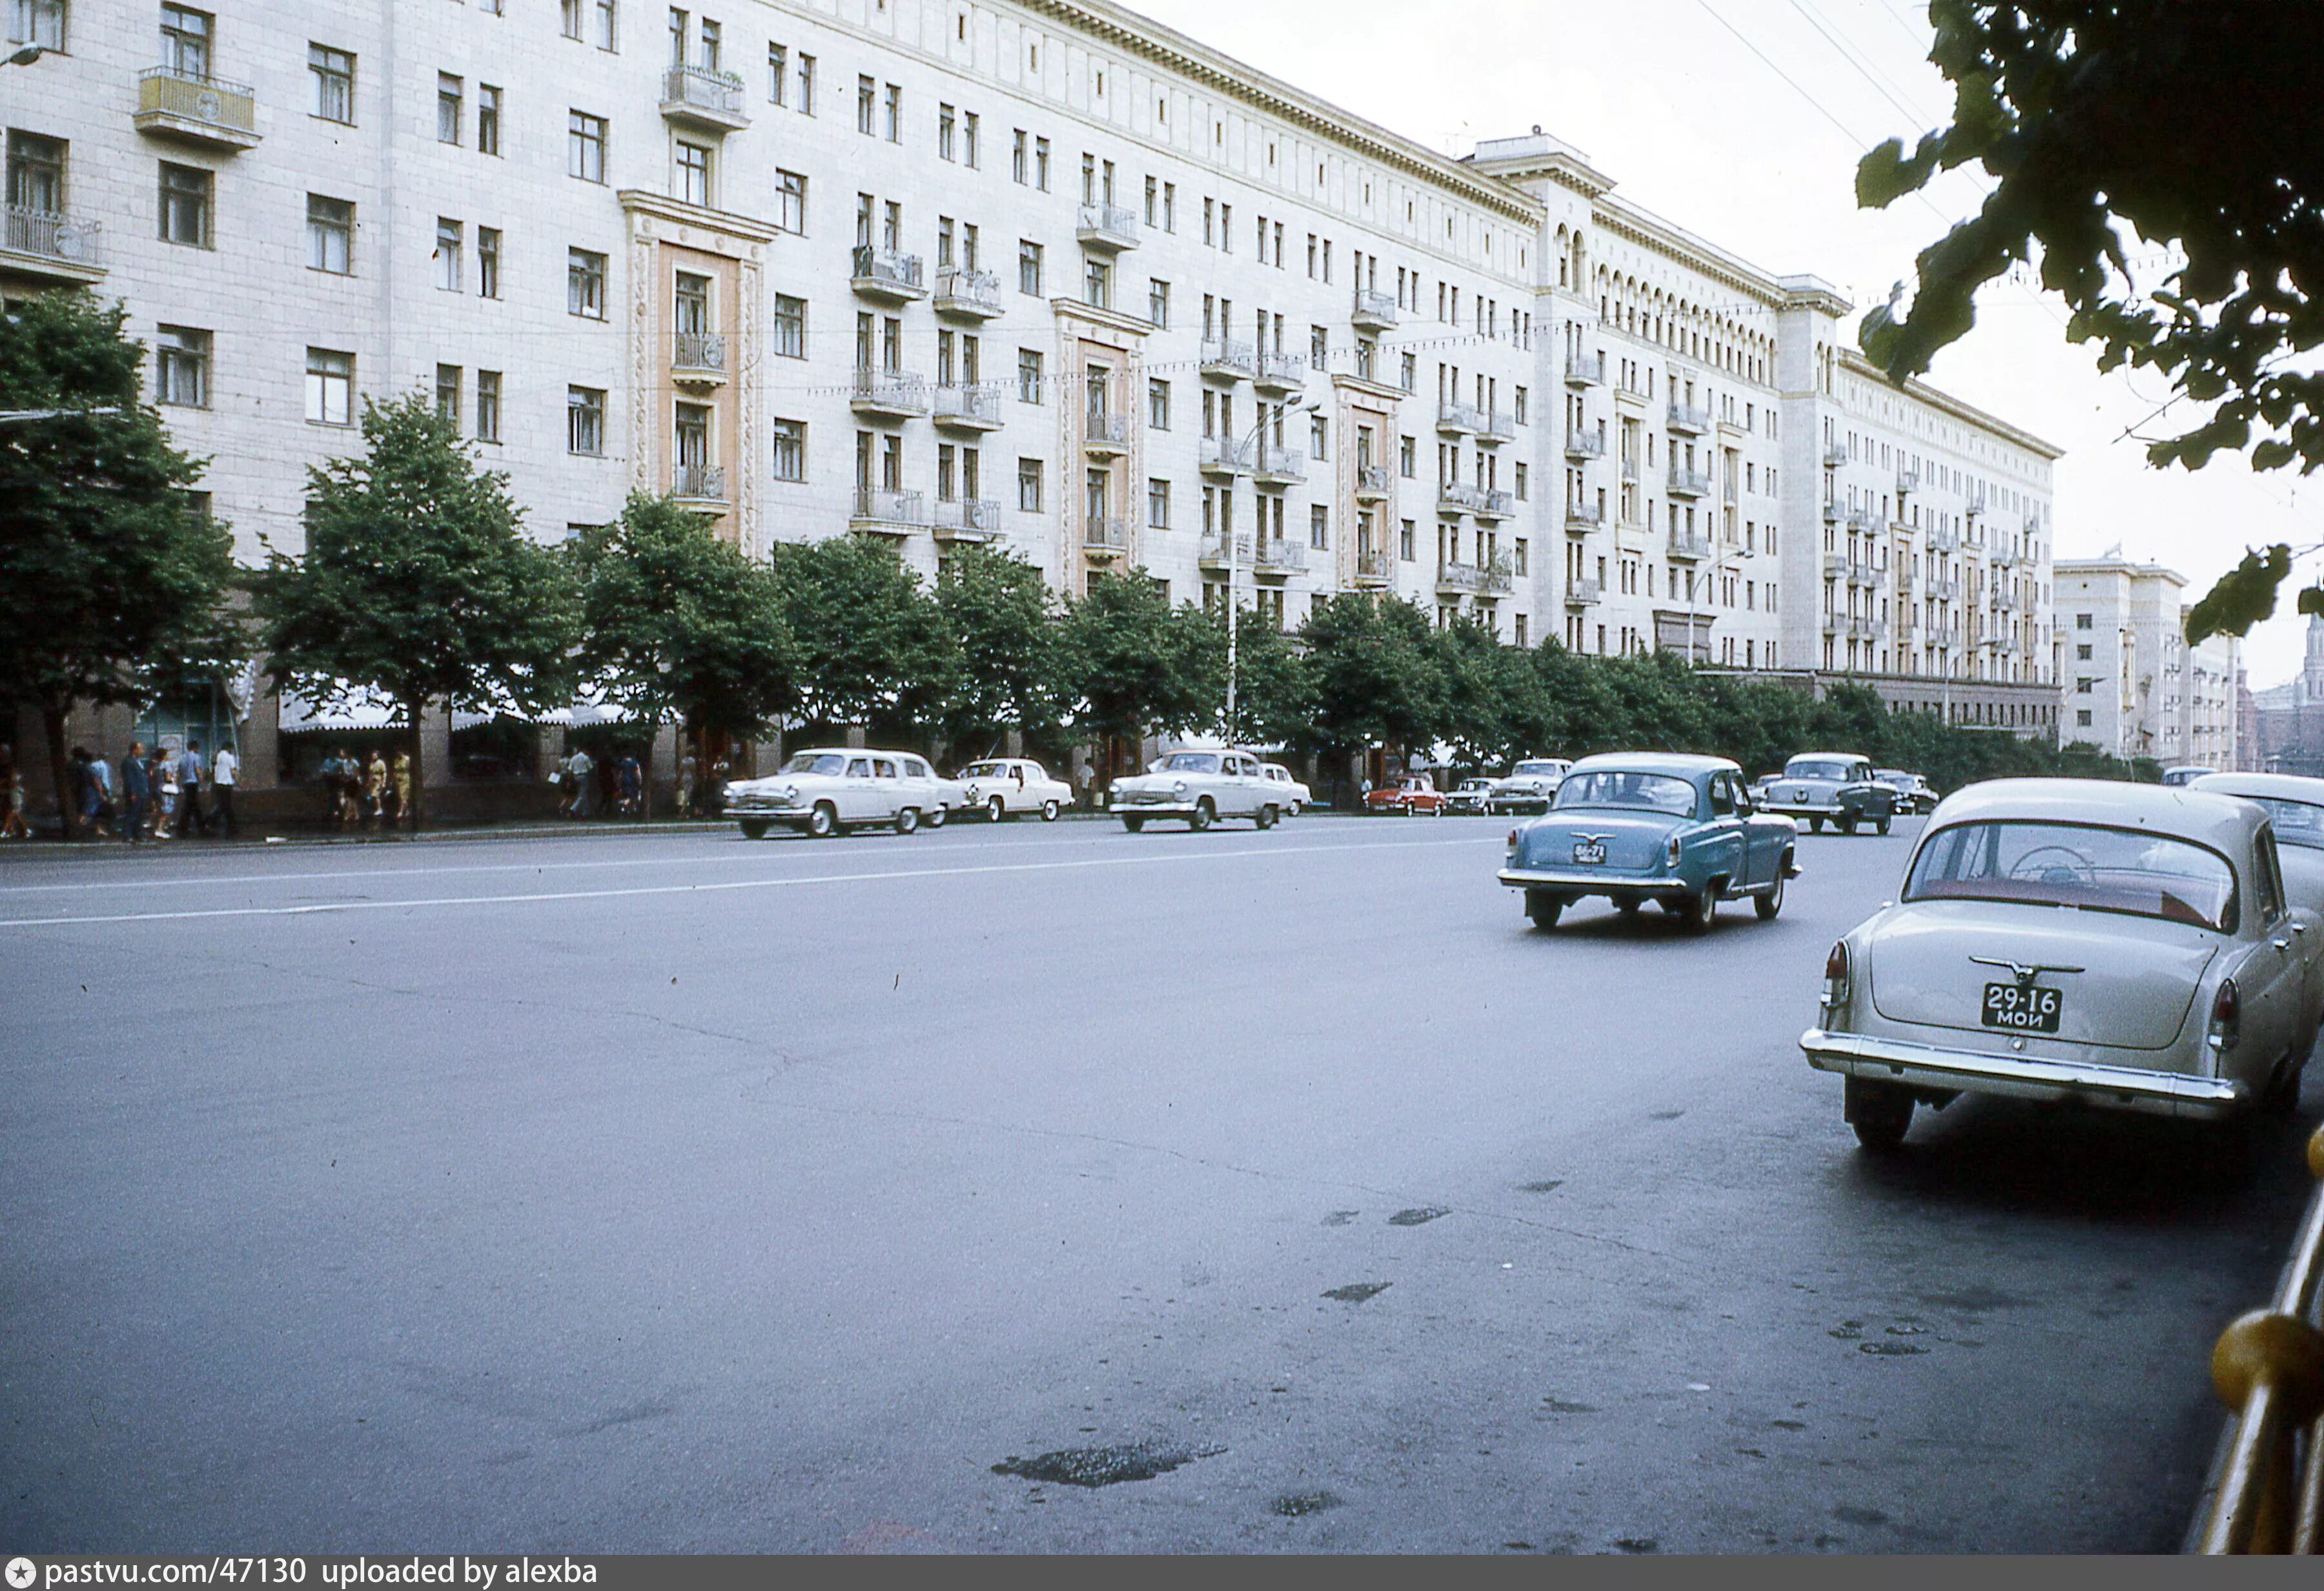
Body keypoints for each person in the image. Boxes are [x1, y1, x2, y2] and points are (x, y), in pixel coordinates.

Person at [119, 742, 152, 844]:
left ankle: (138, 834)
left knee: (139, 814)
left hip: (142, 791)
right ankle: (128, 835)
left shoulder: (138, 761)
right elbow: (130, 779)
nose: (143, 751)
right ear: (134, 750)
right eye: (141, 748)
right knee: (132, 813)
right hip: (135, 792)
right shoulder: (128, 762)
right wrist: (133, 792)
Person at [176, 738, 207, 836]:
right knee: (192, 805)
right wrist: (203, 784)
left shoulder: (182, 757)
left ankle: (186, 826)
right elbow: (198, 770)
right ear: (195, 748)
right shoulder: (196, 757)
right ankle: (196, 827)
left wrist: (180, 782)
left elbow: (180, 771)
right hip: (193, 782)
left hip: (186, 783)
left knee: (191, 805)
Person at [210, 740, 238, 836]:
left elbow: (213, 768)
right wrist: (237, 780)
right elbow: (233, 771)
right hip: (227, 783)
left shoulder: (217, 756)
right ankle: (212, 822)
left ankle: (214, 822)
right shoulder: (230, 757)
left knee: (223, 805)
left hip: (218, 783)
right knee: (226, 806)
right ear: (229, 748)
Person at [0, 743, 27, 840]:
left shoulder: (11, 766)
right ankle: (11, 830)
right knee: (7, 812)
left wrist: (4, 782)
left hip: (12, 791)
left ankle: (5, 830)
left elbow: (13, 780)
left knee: (12, 812)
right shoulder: (3, 765)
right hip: (5, 791)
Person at [156, 745, 180, 839]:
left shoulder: (159, 765)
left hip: (160, 787)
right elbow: (168, 777)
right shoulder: (167, 764)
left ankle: (163, 827)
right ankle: (160, 829)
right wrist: (174, 778)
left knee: (163, 809)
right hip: (168, 789)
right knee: (167, 809)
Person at [566, 746, 595, 818]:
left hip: (575, 777)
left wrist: (569, 780)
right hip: (584, 776)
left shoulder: (573, 758)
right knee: (582, 795)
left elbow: (570, 770)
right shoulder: (586, 758)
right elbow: (591, 768)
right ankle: (572, 809)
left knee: (583, 795)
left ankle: (585, 812)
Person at [364, 748, 388, 829]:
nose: (373, 756)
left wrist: (384, 782)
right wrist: (368, 782)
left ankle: (379, 809)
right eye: (373, 755)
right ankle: (377, 808)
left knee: (376, 795)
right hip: (372, 780)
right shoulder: (371, 763)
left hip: (378, 780)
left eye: (375, 755)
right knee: (372, 795)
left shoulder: (381, 763)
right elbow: (370, 773)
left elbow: (384, 772)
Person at [391, 748, 412, 829]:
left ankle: (401, 811)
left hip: (405, 779)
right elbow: (395, 770)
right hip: (398, 779)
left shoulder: (407, 759)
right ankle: (407, 811)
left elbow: (410, 769)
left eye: (400, 752)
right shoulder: (396, 760)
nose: (398, 753)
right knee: (401, 795)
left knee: (403, 796)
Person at [617, 754, 642, 818]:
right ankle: (623, 808)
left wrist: (619, 782)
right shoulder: (635, 763)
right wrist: (640, 782)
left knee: (626, 796)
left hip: (624, 781)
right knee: (631, 797)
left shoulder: (622, 763)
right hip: (632, 781)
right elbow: (638, 774)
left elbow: (620, 774)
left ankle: (626, 810)